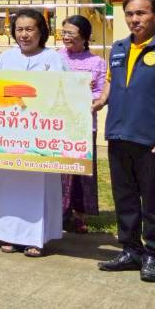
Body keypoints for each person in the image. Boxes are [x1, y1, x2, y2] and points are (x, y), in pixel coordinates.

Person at [95, 0, 155, 282]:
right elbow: (111, 82)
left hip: (153, 139)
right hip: (118, 134)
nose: (135, 19)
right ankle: (131, 250)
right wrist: (100, 100)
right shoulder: (119, 48)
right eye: (130, 14)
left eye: (141, 13)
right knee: (124, 197)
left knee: (152, 199)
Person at [0, 9, 68, 258]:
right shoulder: (5, 58)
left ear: (41, 31)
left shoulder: (53, 58)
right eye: (19, 29)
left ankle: (36, 238)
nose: (24, 35)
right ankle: (9, 234)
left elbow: (65, 93)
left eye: (29, 29)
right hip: (9, 132)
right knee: (9, 183)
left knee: (39, 185)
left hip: (41, 135)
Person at [58, 15, 107, 234]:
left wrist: (90, 102)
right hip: (57, 123)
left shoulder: (97, 63)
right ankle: (57, 212)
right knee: (58, 169)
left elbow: (100, 93)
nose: (66, 37)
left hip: (83, 123)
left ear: (85, 36)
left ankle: (78, 216)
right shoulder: (55, 57)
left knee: (80, 170)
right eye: (63, 32)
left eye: (70, 33)